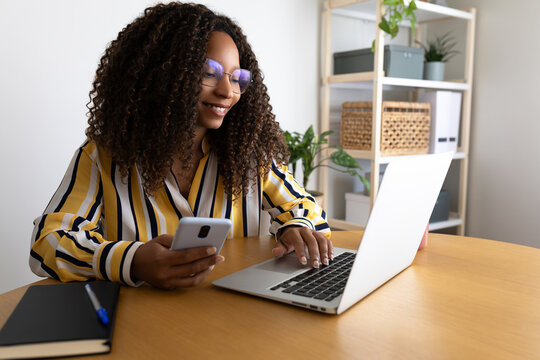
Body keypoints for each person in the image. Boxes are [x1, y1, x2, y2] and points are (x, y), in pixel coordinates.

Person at [29, 2, 331, 290]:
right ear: (163, 73)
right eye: (207, 72)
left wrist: (295, 227)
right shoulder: (104, 155)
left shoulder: (248, 155)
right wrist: (132, 261)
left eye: (238, 77)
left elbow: (304, 207)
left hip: (236, 322)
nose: (228, 91)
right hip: (140, 326)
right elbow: (49, 243)